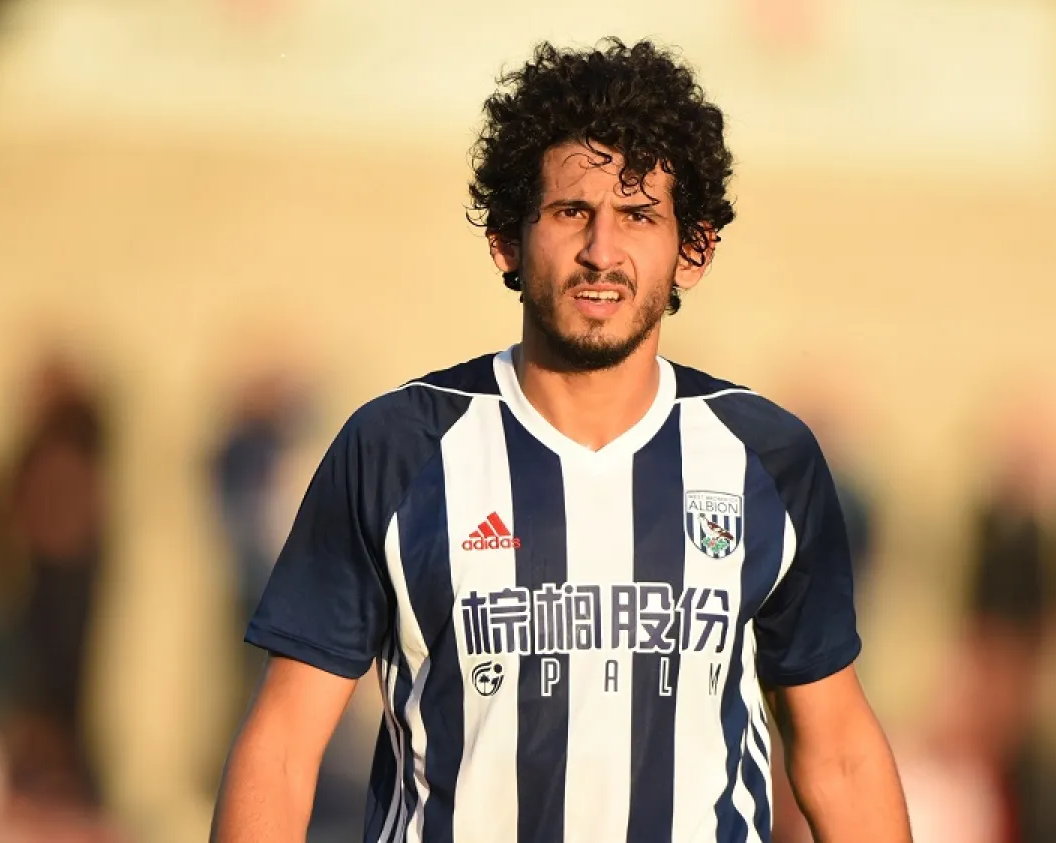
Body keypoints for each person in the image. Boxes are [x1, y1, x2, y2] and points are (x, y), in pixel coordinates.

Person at [211, 38, 911, 843]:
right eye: (572, 212)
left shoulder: (767, 458)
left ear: (694, 249)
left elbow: (839, 755)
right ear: (509, 240)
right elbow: (283, 750)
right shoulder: (397, 449)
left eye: (639, 215)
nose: (601, 252)